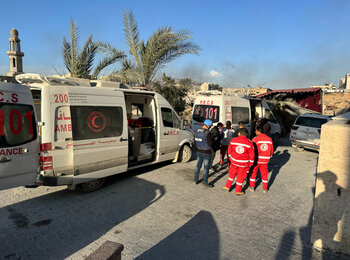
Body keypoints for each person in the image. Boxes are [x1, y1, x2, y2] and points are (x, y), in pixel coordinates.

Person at [223, 128, 255, 195]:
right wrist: (251, 163)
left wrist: (230, 157)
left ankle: (227, 186)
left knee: (232, 173)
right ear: (247, 134)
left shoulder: (233, 140)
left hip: (234, 161)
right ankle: (238, 190)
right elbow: (252, 154)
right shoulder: (249, 142)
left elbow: (229, 150)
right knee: (241, 176)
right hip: (244, 163)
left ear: (239, 133)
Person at [249, 124, 273, 193]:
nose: (255, 132)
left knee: (253, 173)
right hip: (265, 160)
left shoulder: (255, 139)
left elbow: (252, 150)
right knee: (264, 174)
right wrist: (269, 158)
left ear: (259, 131)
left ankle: (252, 187)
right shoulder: (269, 139)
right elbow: (271, 151)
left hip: (256, 160)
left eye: (256, 131)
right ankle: (265, 189)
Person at [194, 119, 214, 188]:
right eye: (210, 126)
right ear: (207, 125)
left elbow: (195, 141)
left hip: (199, 150)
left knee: (198, 165)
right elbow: (210, 143)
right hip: (206, 152)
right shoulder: (207, 133)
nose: (210, 127)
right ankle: (205, 182)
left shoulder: (197, 131)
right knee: (206, 168)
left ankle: (196, 179)